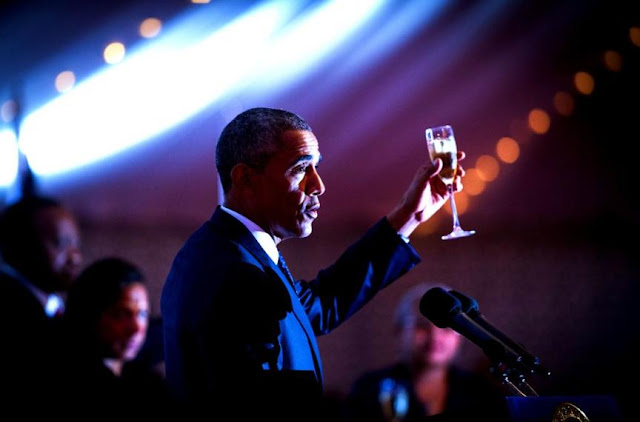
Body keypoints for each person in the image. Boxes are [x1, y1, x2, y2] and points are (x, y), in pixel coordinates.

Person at [161, 107, 465, 420]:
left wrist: (409, 215)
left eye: (316, 167)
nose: (318, 185)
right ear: (246, 178)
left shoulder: (233, 252)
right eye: (301, 169)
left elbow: (320, 303)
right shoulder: (232, 269)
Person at [345, 283, 509, 422]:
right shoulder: (370, 389)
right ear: (400, 330)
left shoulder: (480, 393)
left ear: (461, 336)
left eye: (446, 328)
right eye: (421, 326)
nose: (434, 337)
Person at [59, 256, 174, 418]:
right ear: (90, 315)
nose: (136, 328)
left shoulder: (144, 381)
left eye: (142, 314)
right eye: (121, 314)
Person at [0, 195, 82, 412]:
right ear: (20, 246)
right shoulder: (12, 311)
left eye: (76, 244)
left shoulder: (53, 304)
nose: (75, 257)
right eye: (61, 244)